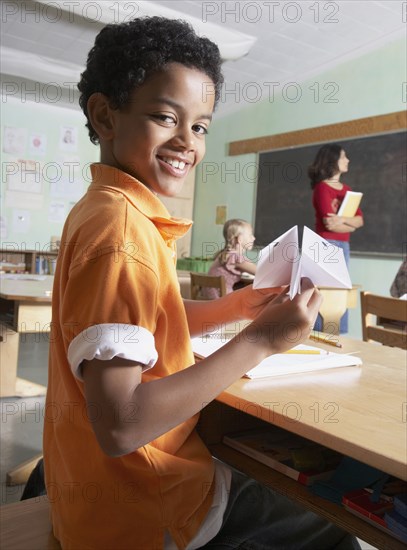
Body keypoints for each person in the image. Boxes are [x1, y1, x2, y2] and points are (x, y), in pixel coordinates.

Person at [43, 17, 361, 550]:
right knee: (333, 523)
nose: (187, 141)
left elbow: (146, 327)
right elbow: (120, 426)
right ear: (104, 115)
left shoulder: (106, 209)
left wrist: (239, 307)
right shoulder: (123, 234)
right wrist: (261, 340)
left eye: (201, 126)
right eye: (166, 117)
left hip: (91, 496)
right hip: (143, 512)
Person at [308, 143, 364, 333]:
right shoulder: (322, 188)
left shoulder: (347, 189)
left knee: (340, 291)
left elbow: (360, 221)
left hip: (343, 245)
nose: (347, 160)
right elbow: (329, 224)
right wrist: (349, 223)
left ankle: (337, 334)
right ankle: (319, 333)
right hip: (326, 244)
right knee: (325, 292)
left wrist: (342, 219)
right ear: (332, 160)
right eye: (343, 157)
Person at [203, 218, 256, 299]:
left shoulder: (225, 254)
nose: (253, 238)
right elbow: (260, 272)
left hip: (209, 299)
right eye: (250, 235)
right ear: (240, 239)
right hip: (221, 300)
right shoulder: (235, 257)